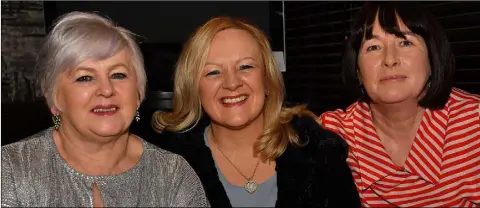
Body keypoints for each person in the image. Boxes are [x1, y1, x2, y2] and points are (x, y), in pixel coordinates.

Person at [1, 11, 209, 207]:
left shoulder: (173, 175)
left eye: (118, 75)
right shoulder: (11, 170)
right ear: (53, 95)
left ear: (138, 91)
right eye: (85, 78)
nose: (107, 90)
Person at [152, 16, 360, 207]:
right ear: (194, 88)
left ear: (267, 79)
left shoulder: (318, 150)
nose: (232, 83)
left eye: (245, 67)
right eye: (213, 72)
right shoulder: (169, 165)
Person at [318, 2, 480, 207]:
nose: (390, 59)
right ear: (357, 70)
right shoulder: (331, 136)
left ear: (432, 58)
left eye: (405, 42)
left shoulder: (474, 124)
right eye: (373, 47)